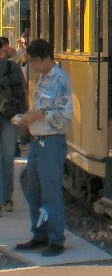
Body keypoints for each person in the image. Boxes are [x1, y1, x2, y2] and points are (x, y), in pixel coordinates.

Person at [13, 39, 73, 257]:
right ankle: (39, 235)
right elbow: (39, 107)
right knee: (34, 191)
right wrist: (29, 122)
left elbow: (64, 117)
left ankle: (56, 239)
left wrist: (35, 116)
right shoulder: (43, 79)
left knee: (50, 191)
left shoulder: (60, 80)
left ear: (47, 59)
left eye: (36, 61)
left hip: (51, 141)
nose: (34, 65)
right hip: (38, 140)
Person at [0, 37, 27, 214]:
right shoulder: (13, 67)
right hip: (9, 116)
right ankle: (6, 199)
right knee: (7, 158)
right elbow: (22, 92)